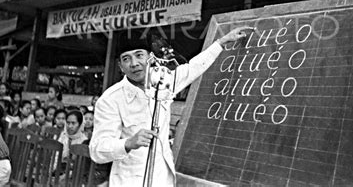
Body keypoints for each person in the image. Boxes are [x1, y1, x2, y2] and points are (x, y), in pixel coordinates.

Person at [89, 27, 251, 186]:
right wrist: (128, 143)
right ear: (120, 66)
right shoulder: (110, 99)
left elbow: (193, 68)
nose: (134, 63)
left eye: (139, 55)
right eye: (126, 59)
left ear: (150, 58)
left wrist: (222, 42)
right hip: (130, 180)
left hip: (162, 177)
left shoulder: (163, 82)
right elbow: (97, 150)